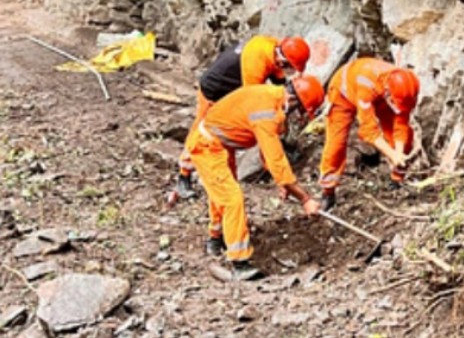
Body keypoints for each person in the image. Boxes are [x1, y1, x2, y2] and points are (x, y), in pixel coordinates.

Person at [185, 75, 325, 280]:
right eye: (300, 110)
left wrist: (283, 183)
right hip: (207, 146)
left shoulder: (271, 100)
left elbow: (268, 152)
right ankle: (239, 262)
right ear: (293, 100)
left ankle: (216, 238)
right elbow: (277, 160)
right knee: (232, 199)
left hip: (220, 145)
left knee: (222, 194)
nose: (298, 116)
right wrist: (305, 199)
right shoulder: (267, 112)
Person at [175, 35, 311, 198]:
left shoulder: (272, 48)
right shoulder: (256, 63)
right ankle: (184, 175)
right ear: (283, 61)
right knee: (201, 132)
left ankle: (223, 182)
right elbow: (255, 108)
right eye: (291, 67)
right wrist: (272, 159)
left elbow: (279, 85)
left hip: (231, 87)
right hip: (214, 90)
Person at [318, 58, 420, 210]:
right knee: (336, 145)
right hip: (343, 96)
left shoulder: (406, 89)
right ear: (388, 92)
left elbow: (401, 123)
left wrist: (398, 153)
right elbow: (368, 131)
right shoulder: (366, 84)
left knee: (403, 138)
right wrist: (392, 154)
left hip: (380, 98)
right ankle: (328, 191)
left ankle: (397, 180)